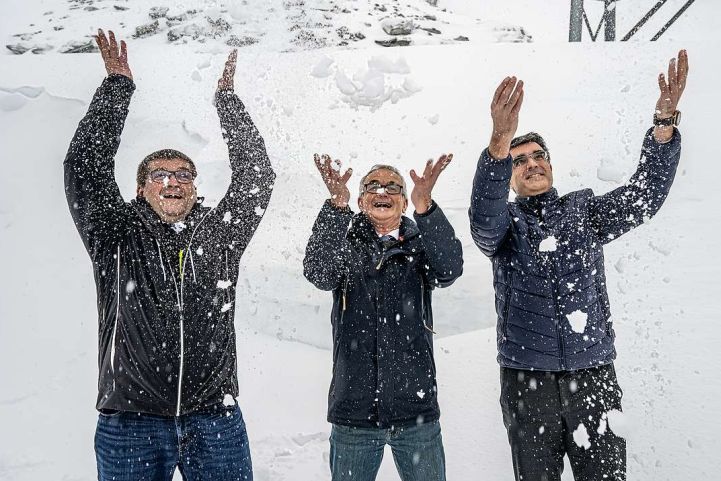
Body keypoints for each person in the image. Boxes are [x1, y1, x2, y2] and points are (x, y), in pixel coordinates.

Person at [63, 29, 275, 480]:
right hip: (131, 420)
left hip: (213, 418)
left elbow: (257, 175)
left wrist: (228, 102)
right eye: (159, 174)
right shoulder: (114, 233)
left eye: (183, 174)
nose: (172, 181)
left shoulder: (219, 233)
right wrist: (116, 89)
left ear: (195, 188)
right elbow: (84, 167)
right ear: (141, 188)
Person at [469, 50, 689, 481]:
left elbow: (644, 197)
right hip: (527, 381)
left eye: (537, 156)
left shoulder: (583, 212)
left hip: (593, 376)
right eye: (519, 160)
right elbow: (482, 221)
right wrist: (498, 142)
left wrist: (663, 128)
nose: (531, 163)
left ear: (550, 163)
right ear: (510, 176)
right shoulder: (506, 225)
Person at [303, 154, 464, 481]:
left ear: (404, 202)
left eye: (393, 187)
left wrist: (427, 208)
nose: (383, 191)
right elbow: (319, 273)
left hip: (416, 412)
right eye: (372, 185)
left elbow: (449, 269)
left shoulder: (421, 248)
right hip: (353, 413)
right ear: (361, 200)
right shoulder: (344, 245)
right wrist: (336, 206)